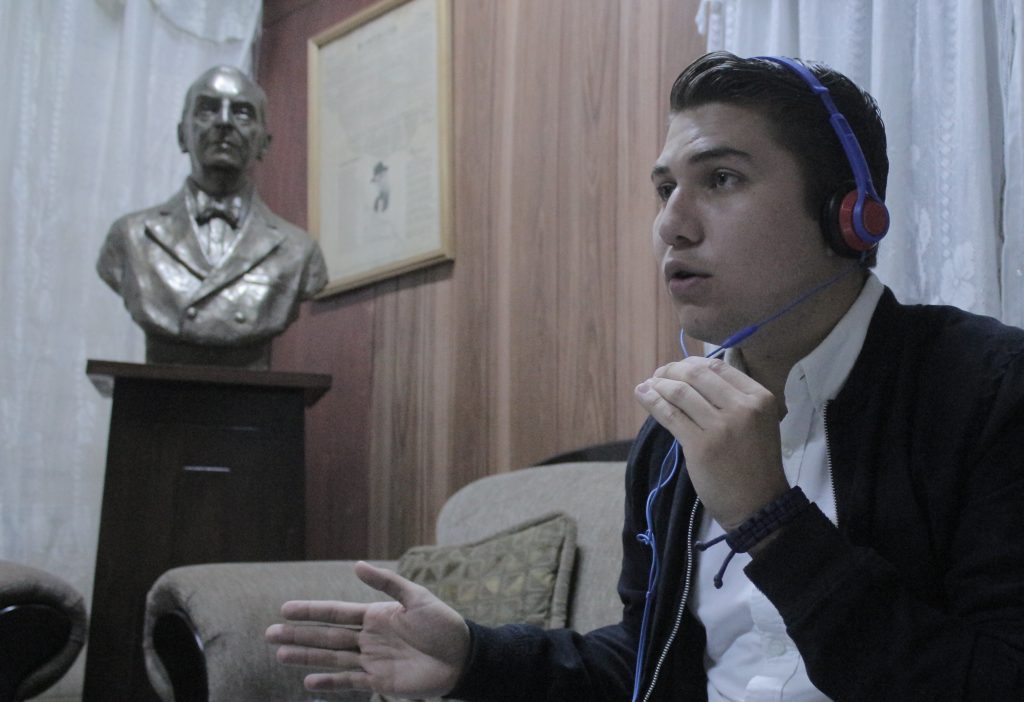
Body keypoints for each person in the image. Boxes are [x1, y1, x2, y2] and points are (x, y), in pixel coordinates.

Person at [265, 52, 1024, 700]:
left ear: (848, 215)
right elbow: (651, 663)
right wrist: (474, 656)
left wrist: (770, 521)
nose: (671, 225)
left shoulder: (988, 390)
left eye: (720, 178)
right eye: (665, 190)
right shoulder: (672, 438)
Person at [97, 65, 327, 369]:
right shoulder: (131, 237)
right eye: (207, 109)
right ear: (182, 135)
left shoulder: (299, 252)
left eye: (242, 113)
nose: (224, 122)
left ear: (264, 144)